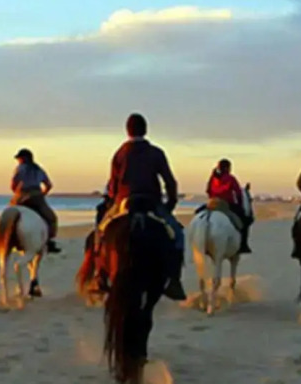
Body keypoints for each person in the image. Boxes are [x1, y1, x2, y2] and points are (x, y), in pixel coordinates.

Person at [103, 113, 186, 300]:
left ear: (127, 131)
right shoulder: (156, 152)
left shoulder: (119, 153)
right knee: (178, 235)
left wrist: (113, 202)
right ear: (145, 130)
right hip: (151, 202)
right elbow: (170, 182)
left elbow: (113, 186)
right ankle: (174, 280)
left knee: (101, 232)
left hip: (125, 202)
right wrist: (170, 203)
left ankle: (101, 274)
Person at [9, 148, 62, 253]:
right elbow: (48, 185)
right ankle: (49, 241)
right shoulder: (38, 169)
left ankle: (6, 238)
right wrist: (42, 194)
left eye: (19, 158)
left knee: (8, 215)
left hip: (21, 195)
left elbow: (13, 185)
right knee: (51, 218)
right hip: (36, 195)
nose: (18, 160)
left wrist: (17, 193)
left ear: (24, 158)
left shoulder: (19, 169)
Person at [206, 158, 252, 254]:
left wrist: (212, 198)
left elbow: (208, 190)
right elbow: (238, 193)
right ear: (227, 168)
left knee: (198, 213)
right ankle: (243, 245)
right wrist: (239, 205)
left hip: (212, 203)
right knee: (245, 220)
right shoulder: (230, 178)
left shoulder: (212, 178)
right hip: (225, 204)